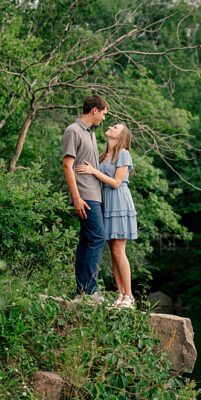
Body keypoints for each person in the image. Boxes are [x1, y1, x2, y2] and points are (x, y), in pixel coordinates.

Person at [77, 123, 137, 309]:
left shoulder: (123, 154)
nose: (111, 126)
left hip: (119, 202)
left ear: (121, 135)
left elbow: (116, 182)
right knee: (113, 252)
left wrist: (93, 171)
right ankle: (120, 294)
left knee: (120, 251)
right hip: (106, 204)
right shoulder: (103, 156)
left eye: (116, 127)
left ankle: (129, 296)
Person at [61, 95, 109, 302]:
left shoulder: (90, 133)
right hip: (85, 195)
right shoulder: (73, 130)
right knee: (99, 238)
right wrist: (77, 197)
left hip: (94, 193)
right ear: (95, 111)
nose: (104, 119)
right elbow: (67, 165)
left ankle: (81, 291)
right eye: (104, 114)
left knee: (86, 241)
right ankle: (90, 291)